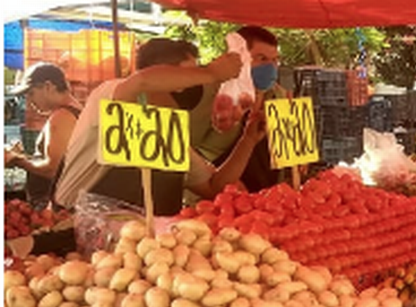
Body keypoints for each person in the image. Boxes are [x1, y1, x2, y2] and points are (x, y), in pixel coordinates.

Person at [53, 39, 262, 217]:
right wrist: (211, 73)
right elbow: (142, 82)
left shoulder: (168, 135)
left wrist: (249, 140)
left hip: (147, 248)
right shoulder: (110, 96)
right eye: (186, 76)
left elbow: (214, 186)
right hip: (76, 226)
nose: (192, 86)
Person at [192, 26, 289, 194]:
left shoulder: (278, 94)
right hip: (214, 198)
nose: (270, 67)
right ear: (239, 58)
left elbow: (286, 145)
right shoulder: (212, 92)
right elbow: (185, 146)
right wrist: (216, 176)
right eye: (261, 58)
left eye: (274, 60)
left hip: (265, 199)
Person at [4, 63, 81, 208]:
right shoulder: (75, 111)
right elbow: (62, 162)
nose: (29, 101)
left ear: (48, 87)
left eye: (31, 93)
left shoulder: (61, 117)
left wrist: (15, 160)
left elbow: (51, 170)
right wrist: (24, 157)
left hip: (51, 204)